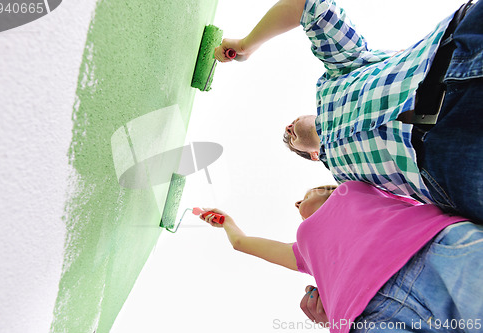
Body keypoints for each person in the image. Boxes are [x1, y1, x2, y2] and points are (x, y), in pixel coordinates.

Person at [215, 0, 483, 224]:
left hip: (456, 57)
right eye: (292, 139)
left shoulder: (335, 78)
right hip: (455, 168)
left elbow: (310, 6)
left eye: (290, 125)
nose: (289, 130)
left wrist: (246, 44)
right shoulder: (347, 184)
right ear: (313, 155)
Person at [200, 182, 483, 332]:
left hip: (434, 250)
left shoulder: (358, 185)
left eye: (305, 193)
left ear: (328, 189)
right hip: (369, 318)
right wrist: (227, 222)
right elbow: (241, 243)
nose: (297, 202)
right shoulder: (302, 249)